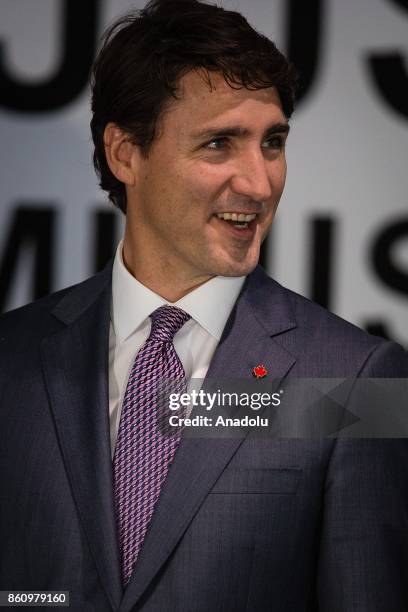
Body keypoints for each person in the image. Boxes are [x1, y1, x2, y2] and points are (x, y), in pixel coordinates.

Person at [0, 0, 407, 610]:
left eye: (272, 143)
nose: (260, 183)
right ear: (125, 154)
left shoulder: (359, 381)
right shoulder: (11, 357)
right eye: (219, 143)